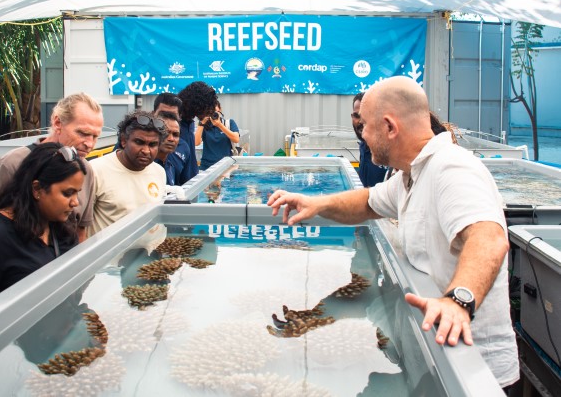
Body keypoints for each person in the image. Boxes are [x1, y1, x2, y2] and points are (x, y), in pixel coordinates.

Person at [268, 76, 518, 388]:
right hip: (436, 357)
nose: (364, 136)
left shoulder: (452, 168)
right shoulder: (411, 175)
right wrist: (316, 204)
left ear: (389, 127)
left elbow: (489, 238)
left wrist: (458, 301)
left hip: (475, 373)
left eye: (365, 127)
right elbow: (367, 202)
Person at [0, 143, 87, 321]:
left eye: (77, 193)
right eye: (67, 193)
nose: (75, 203)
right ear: (37, 189)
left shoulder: (59, 228)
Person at [0, 93, 103, 242]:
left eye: (95, 136)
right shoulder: (12, 164)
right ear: (57, 123)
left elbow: (80, 231)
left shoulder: (85, 171)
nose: (90, 143)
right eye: (83, 133)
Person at [89, 111, 167, 234]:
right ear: (124, 141)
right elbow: (79, 226)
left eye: (152, 144)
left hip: (152, 251)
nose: (146, 151)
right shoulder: (95, 170)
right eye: (139, 142)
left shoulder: (159, 171)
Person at [177, 81, 218, 179]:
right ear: (196, 104)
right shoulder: (176, 127)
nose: (211, 111)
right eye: (208, 107)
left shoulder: (189, 124)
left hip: (191, 184)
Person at [352, 92, 387, 187]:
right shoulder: (363, 147)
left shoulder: (390, 151)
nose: (360, 121)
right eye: (356, 116)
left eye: (365, 115)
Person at [195, 100, 240, 170]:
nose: (213, 114)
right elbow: (196, 143)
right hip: (207, 166)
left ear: (220, 109)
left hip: (226, 166)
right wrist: (201, 123)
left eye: (215, 111)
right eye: (210, 112)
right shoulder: (204, 126)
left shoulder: (229, 123)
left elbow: (236, 139)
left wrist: (220, 125)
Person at [154, 111, 182, 186]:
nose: (171, 139)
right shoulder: (144, 166)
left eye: (175, 134)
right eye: (166, 133)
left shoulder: (170, 166)